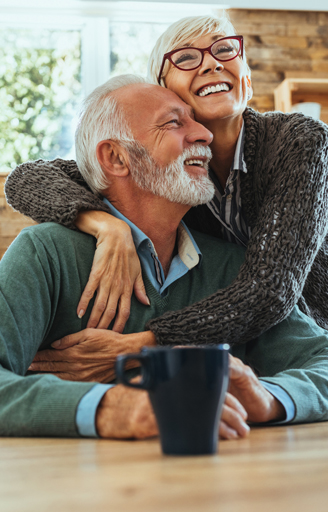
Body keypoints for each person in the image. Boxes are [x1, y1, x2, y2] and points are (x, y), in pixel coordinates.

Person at [2, 75, 328, 440]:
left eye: (196, 121)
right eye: (174, 122)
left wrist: (269, 398)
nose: (204, 134)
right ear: (115, 157)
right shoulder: (45, 255)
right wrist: (111, 407)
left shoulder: (232, 266)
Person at [5, 13, 328, 348]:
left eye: (226, 50)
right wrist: (106, 226)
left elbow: (271, 289)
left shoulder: (300, 140)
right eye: (187, 57)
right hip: (230, 340)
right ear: (162, 89)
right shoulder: (164, 170)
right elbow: (27, 178)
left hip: (310, 333)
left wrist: (145, 344)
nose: (212, 64)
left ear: (246, 75)